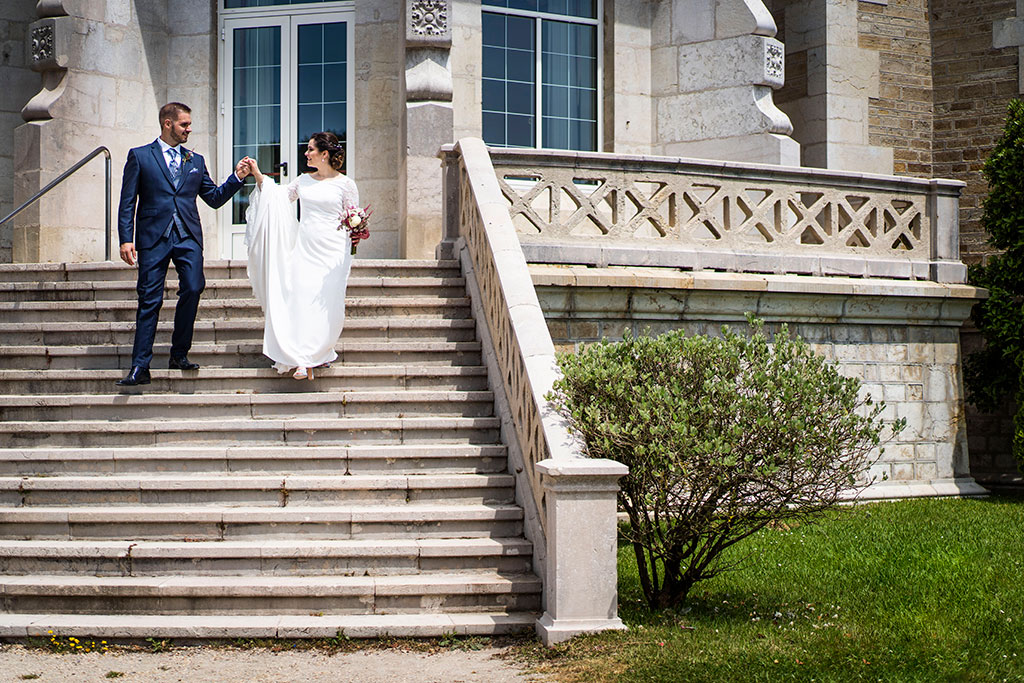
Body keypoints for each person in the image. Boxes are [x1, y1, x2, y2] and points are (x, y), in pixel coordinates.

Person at [115, 102, 251, 387]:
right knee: (149, 299)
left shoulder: (195, 160)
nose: (189, 129)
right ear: (167, 124)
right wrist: (126, 238)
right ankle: (140, 366)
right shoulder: (140, 156)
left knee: (193, 286)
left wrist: (237, 177)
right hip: (153, 237)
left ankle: (179, 354)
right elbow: (128, 201)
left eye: (189, 124)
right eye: (184, 124)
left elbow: (213, 197)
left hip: (188, 235)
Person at [243, 132, 360, 380]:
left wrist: (359, 229)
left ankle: (320, 352)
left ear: (324, 154)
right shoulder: (303, 181)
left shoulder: (346, 184)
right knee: (302, 299)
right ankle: (303, 358)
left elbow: (353, 216)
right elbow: (276, 198)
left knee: (328, 302)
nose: (305, 154)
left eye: (310, 150)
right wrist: (257, 173)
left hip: (334, 252)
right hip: (305, 247)